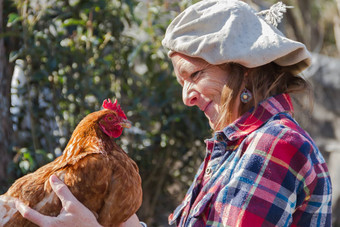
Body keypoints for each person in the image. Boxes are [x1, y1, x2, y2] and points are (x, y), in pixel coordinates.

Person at [16, 0, 332, 226]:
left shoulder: (275, 146)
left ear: (244, 70)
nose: (186, 98)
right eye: (181, 82)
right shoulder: (235, 149)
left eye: (194, 75)